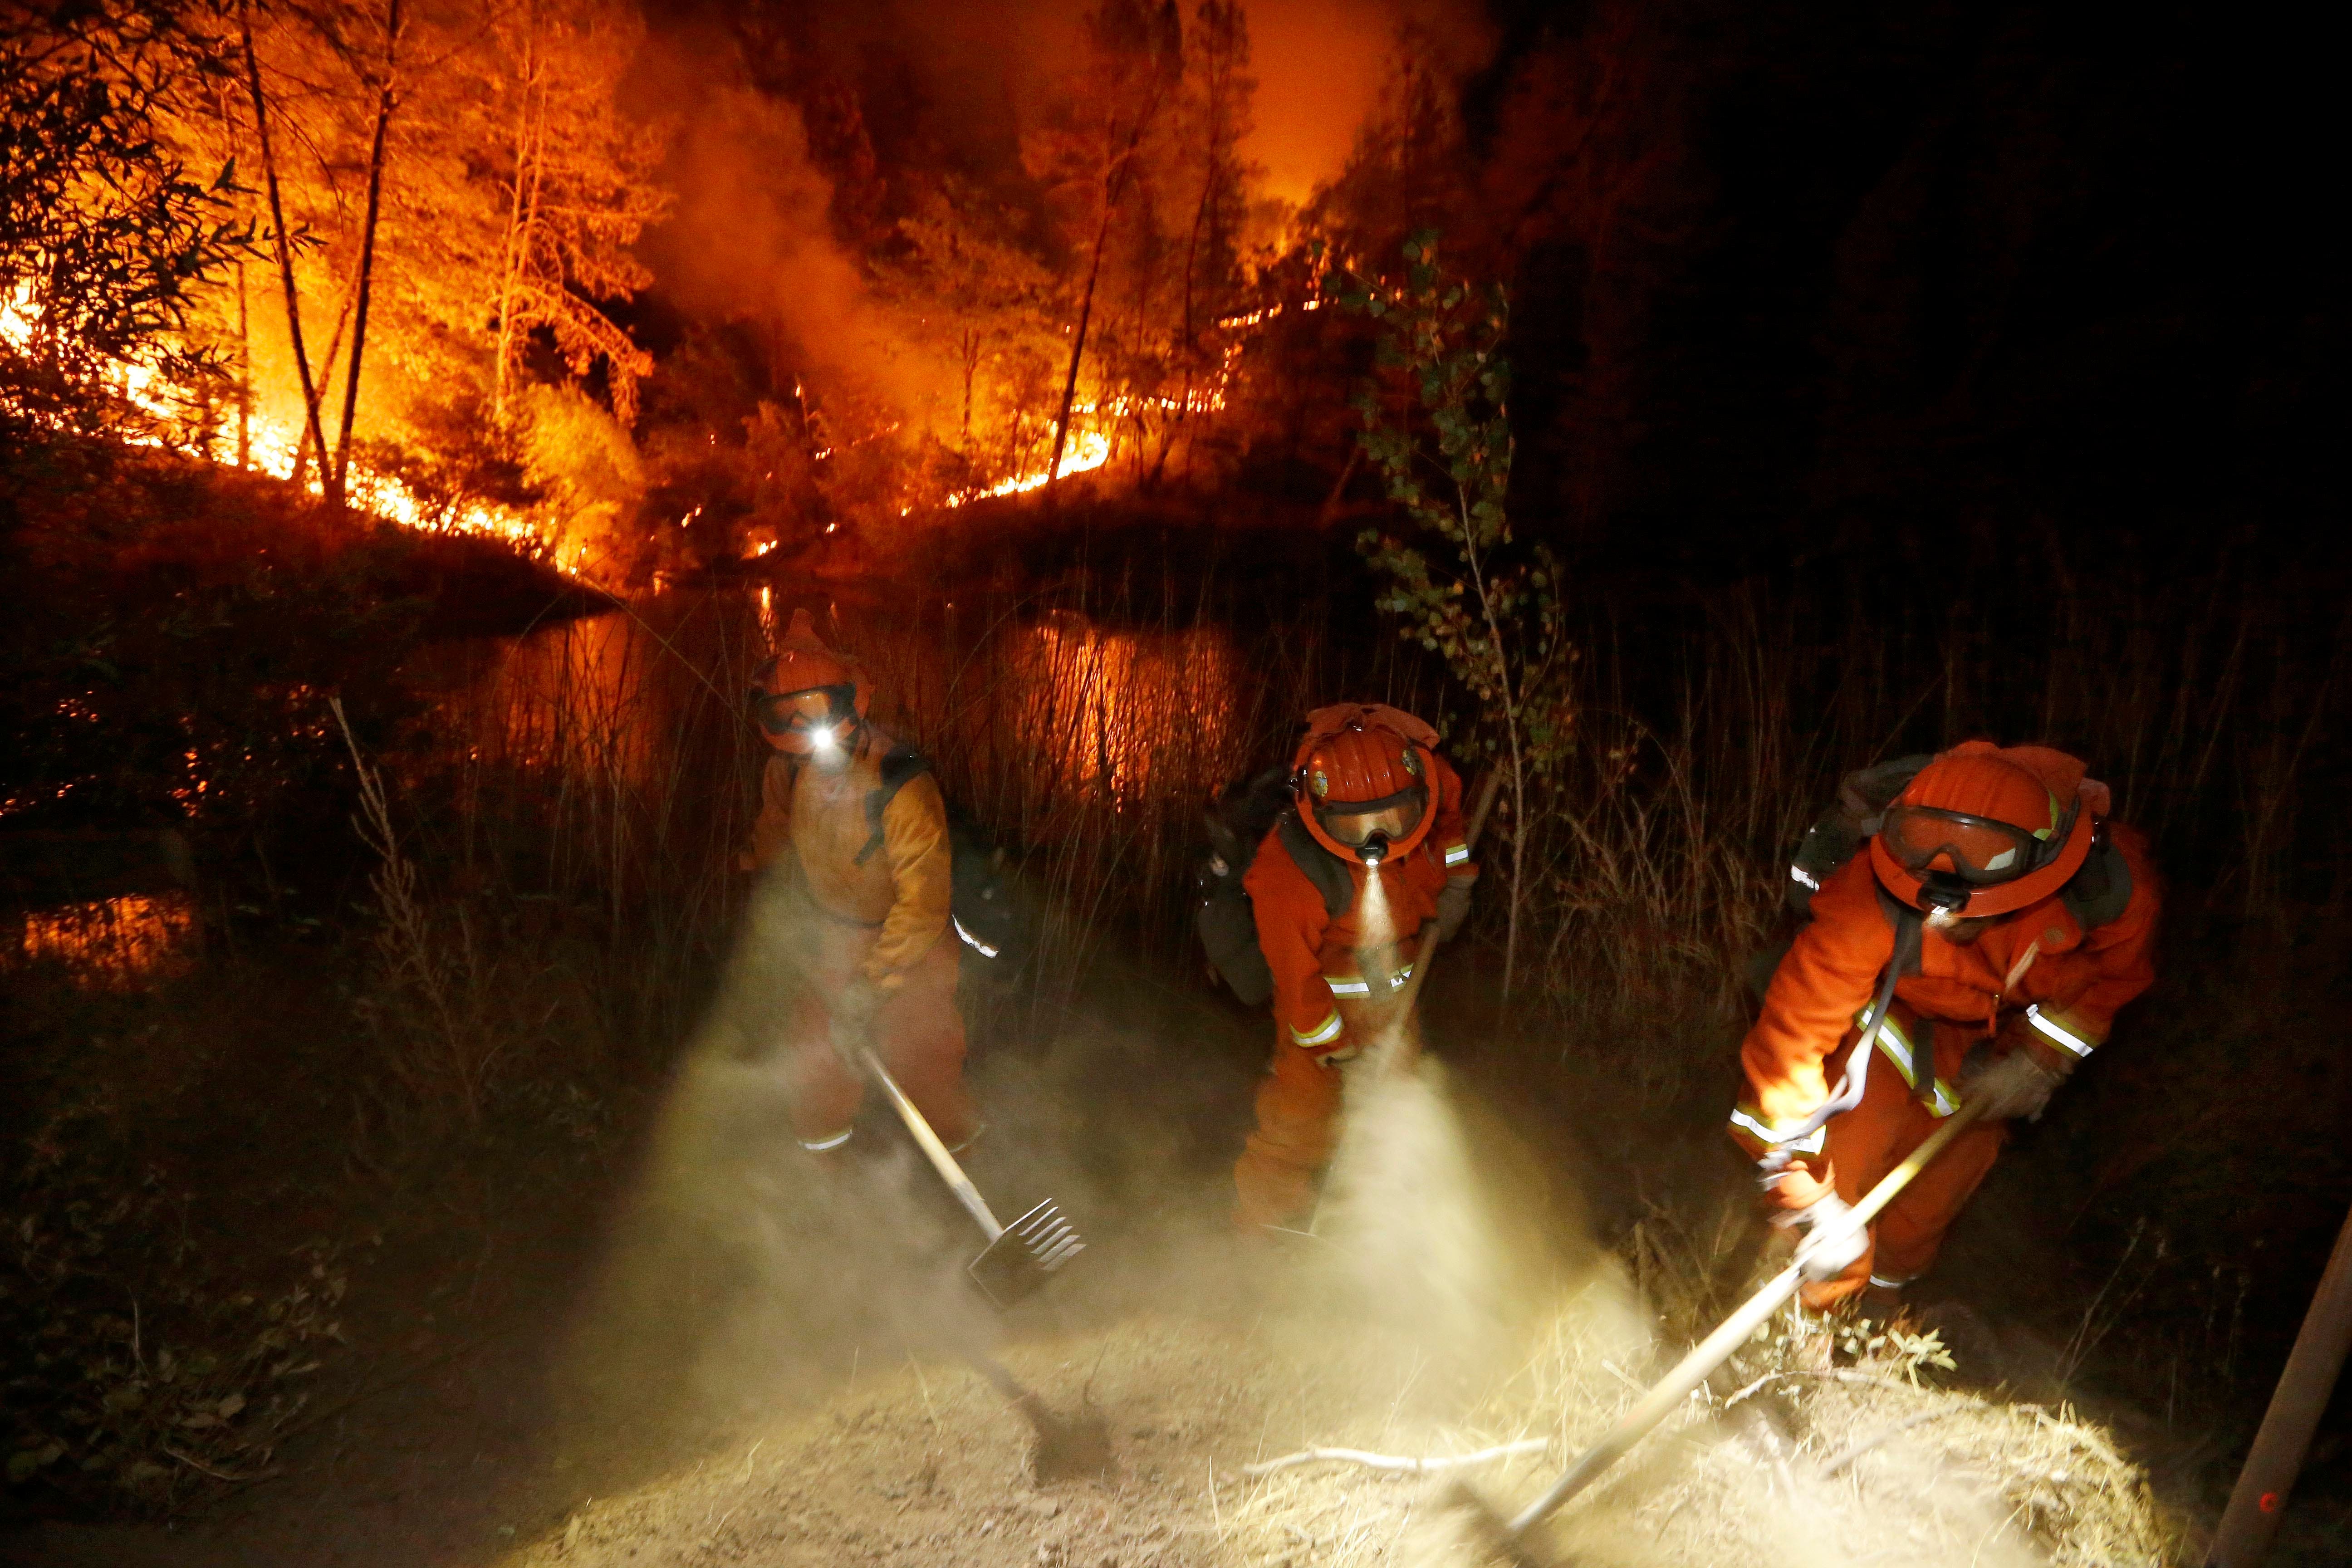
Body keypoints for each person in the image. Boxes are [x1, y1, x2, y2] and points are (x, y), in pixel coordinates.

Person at [1731, 740, 2159, 1310]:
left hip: (1991, 1048)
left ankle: (1879, 1323)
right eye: (1925, 856)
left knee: (1923, 1213)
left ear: (2039, 865)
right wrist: (1802, 1197)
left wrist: (2041, 1059)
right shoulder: (1869, 896)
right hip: (1885, 1014)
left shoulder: (2111, 891)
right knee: (1838, 1168)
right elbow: (1791, 1040)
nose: (1943, 889)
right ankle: (1799, 1327)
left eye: (1978, 865)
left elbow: (2115, 981)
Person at [1234, 703, 1480, 1231]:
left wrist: (1459, 878)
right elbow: (1297, 980)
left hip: (1395, 969)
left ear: (1415, 798)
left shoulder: (1429, 780)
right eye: (1358, 825)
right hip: (1324, 981)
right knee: (1301, 1119)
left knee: (1401, 1097)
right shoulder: (1288, 873)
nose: (1378, 839)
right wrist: (1331, 1048)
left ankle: (1389, 1226)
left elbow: (1452, 819)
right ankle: (1261, 1239)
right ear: (1322, 816)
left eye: (1393, 819)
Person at [745, 609, 974, 1157]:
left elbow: (923, 904)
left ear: (847, 701)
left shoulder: (900, 785)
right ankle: (825, 1183)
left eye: (815, 708)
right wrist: (777, 916)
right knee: (817, 1063)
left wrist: (870, 987)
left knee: (924, 1065)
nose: (803, 726)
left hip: (910, 947)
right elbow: (774, 847)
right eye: (788, 712)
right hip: (833, 937)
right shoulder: (787, 769)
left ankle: (964, 1172)